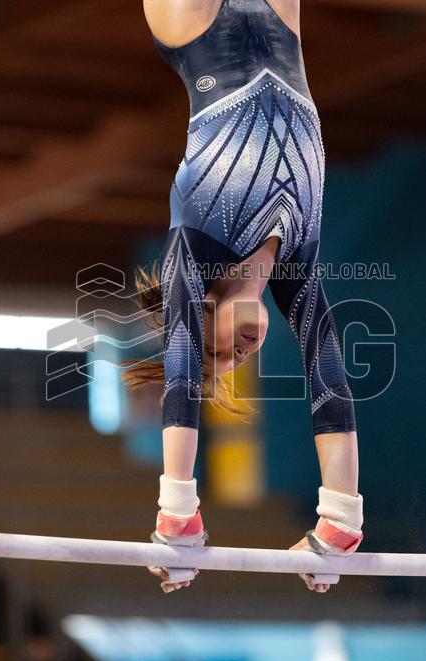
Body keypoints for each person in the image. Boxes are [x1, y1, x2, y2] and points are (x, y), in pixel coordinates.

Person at [127, 0, 362, 593]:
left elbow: (180, 381)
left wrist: (177, 515)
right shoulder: (298, 267)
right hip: (282, 32)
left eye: (222, 353)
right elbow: (329, 383)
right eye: (238, 363)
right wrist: (340, 516)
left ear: (201, 313)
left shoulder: (196, 247)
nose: (242, 355)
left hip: (198, 36)